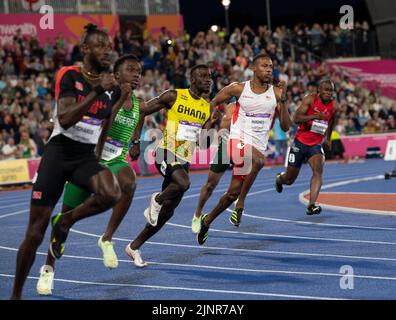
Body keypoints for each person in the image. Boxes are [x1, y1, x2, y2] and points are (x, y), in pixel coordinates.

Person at [10, 24, 122, 300]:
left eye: (109, 47)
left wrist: (97, 160)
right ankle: (15, 295)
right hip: (58, 155)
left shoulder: (110, 89)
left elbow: (104, 125)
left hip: (83, 157)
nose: (107, 52)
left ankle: (64, 222)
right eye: (101, 47)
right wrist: (96, 90)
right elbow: (65, 118)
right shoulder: (69, 75)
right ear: (85, 49)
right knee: (35, 233)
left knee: (111, 191)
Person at [35, 54, 146, 296]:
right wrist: (122, 95)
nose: (137, 74)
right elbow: (106, 118)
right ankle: (47, 269)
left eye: (139, 71)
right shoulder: (106, 95)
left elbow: (142, 116)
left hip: (115, 160)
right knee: (64, 219)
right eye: (131, 70)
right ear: (116, 75)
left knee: (129, 181)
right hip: (88, 159)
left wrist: (136, 140)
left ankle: (107, 239)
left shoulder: (138, 102)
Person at [124, 64, 217, 266]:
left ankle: (134, 247)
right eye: (203, 76)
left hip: (183, 160)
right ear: (192, 79)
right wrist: (135, 141)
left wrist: (211, 124)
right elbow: (142, 110)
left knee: (167, 213)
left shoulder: (206, 107)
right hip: (165, 152)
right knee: (183, 183)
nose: (208, 80)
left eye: (209, 76)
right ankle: (156, 199)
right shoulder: (174, 96)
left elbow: (203, 143)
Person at [197, 53, 291, 245]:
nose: (269, 69)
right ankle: (241, 204)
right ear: (253, 69)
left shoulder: (276, 94)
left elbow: (286, 126)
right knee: (258, 160)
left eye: (271, 67)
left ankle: (207, 221)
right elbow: (213, 102)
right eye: (264, 66)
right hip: (235, 141)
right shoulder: (239, 89)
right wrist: (207, 124)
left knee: (231, 193)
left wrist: (284, 101)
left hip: (255, 148)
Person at [275, 79, 339, 215]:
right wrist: (315, 116)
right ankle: (279, 178)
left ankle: (311, 205)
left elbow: (332, 120)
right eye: (326, 90)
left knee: (318, 171)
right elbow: (296, 118)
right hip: (300, 142)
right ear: (319, 91)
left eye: (331, 91)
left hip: (315, 145)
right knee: (289, 180)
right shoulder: (310, 99)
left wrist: (328, 138)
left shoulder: (335, 106)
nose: (329, 93)